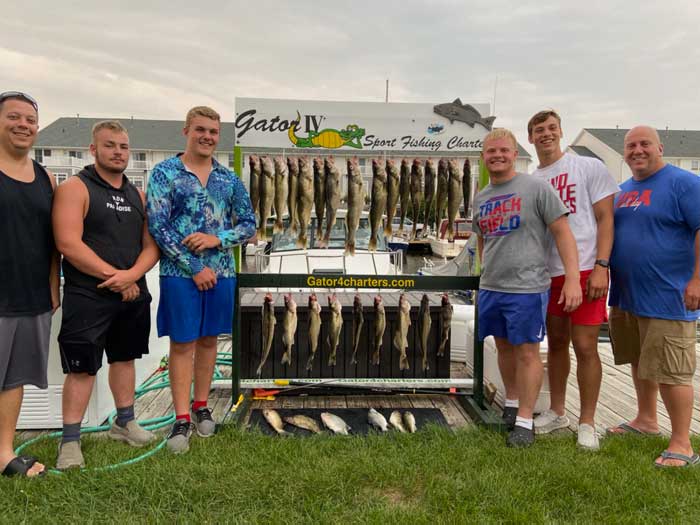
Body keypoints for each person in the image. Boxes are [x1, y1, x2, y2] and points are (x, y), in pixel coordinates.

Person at [147, 106, 255, 454]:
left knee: (209, 340)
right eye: (200, 129)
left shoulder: (229, 179)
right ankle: (180, 417)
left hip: (222, 272)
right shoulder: (165, 174)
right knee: (182, 343)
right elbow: (158, 227)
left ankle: (201, 405)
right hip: (180, 274)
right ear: (186, 132)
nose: (207, 136)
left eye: (213, 131)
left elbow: (249, 224)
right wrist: (193, 265)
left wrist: (217, 239)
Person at [53, 120, 160, 470]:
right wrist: (116, 277)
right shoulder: (76, 188)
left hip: (131, 294)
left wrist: (131, 276)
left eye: (123, 147)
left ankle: (124, 422)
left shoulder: (137, 195)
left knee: (124, 359)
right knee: (82, 369)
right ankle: (70, 441)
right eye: (110, 145)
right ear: (93, 149)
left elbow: (151, 246)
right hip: (89, 294)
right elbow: (68, 242)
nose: (117, 152)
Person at [472, 128, 582, 447]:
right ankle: (511, 403)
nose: (498, 156)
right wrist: (484, 273)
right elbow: (482, 238)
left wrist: (573, 277)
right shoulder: (481, 197)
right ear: (484, 157)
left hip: (528, 288)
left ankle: (524, 420)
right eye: (491, 151)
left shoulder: (535, 187)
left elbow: (562, 231)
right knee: (503, 346)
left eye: (504, 150)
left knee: (527, 352)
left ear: (514, 153)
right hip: (493, 286)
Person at [607, 126, 700, 468]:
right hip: (628, 295)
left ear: (660, 147)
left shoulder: (684, 183)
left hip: (669, 295)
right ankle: (646, 420)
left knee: (672, 370)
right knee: (640, 359)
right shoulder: (623, 190)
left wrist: (697, 280)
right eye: (631, 146)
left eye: (644, 144)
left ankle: (682, 445)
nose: (637, 150)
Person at [528, 110, 618, 450]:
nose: (546, 134)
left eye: (552, 128)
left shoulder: (588, 167)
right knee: (557, 344)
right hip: (548, 273)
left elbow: (606, 219)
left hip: (584, 270)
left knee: (585, 346)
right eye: (540, 130)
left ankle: (588, 422)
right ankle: (558, 411)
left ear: (561, 132)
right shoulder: (534, 179)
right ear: (531, 138)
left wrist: (601, 266)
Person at [0, 92, 59, 478]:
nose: (23, 125)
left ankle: (4, 453)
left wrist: (54, 287)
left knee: (14, 377)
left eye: (30, 120)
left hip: (32, 295)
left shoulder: (46, 177)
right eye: (14, 117)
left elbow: (51, 241)